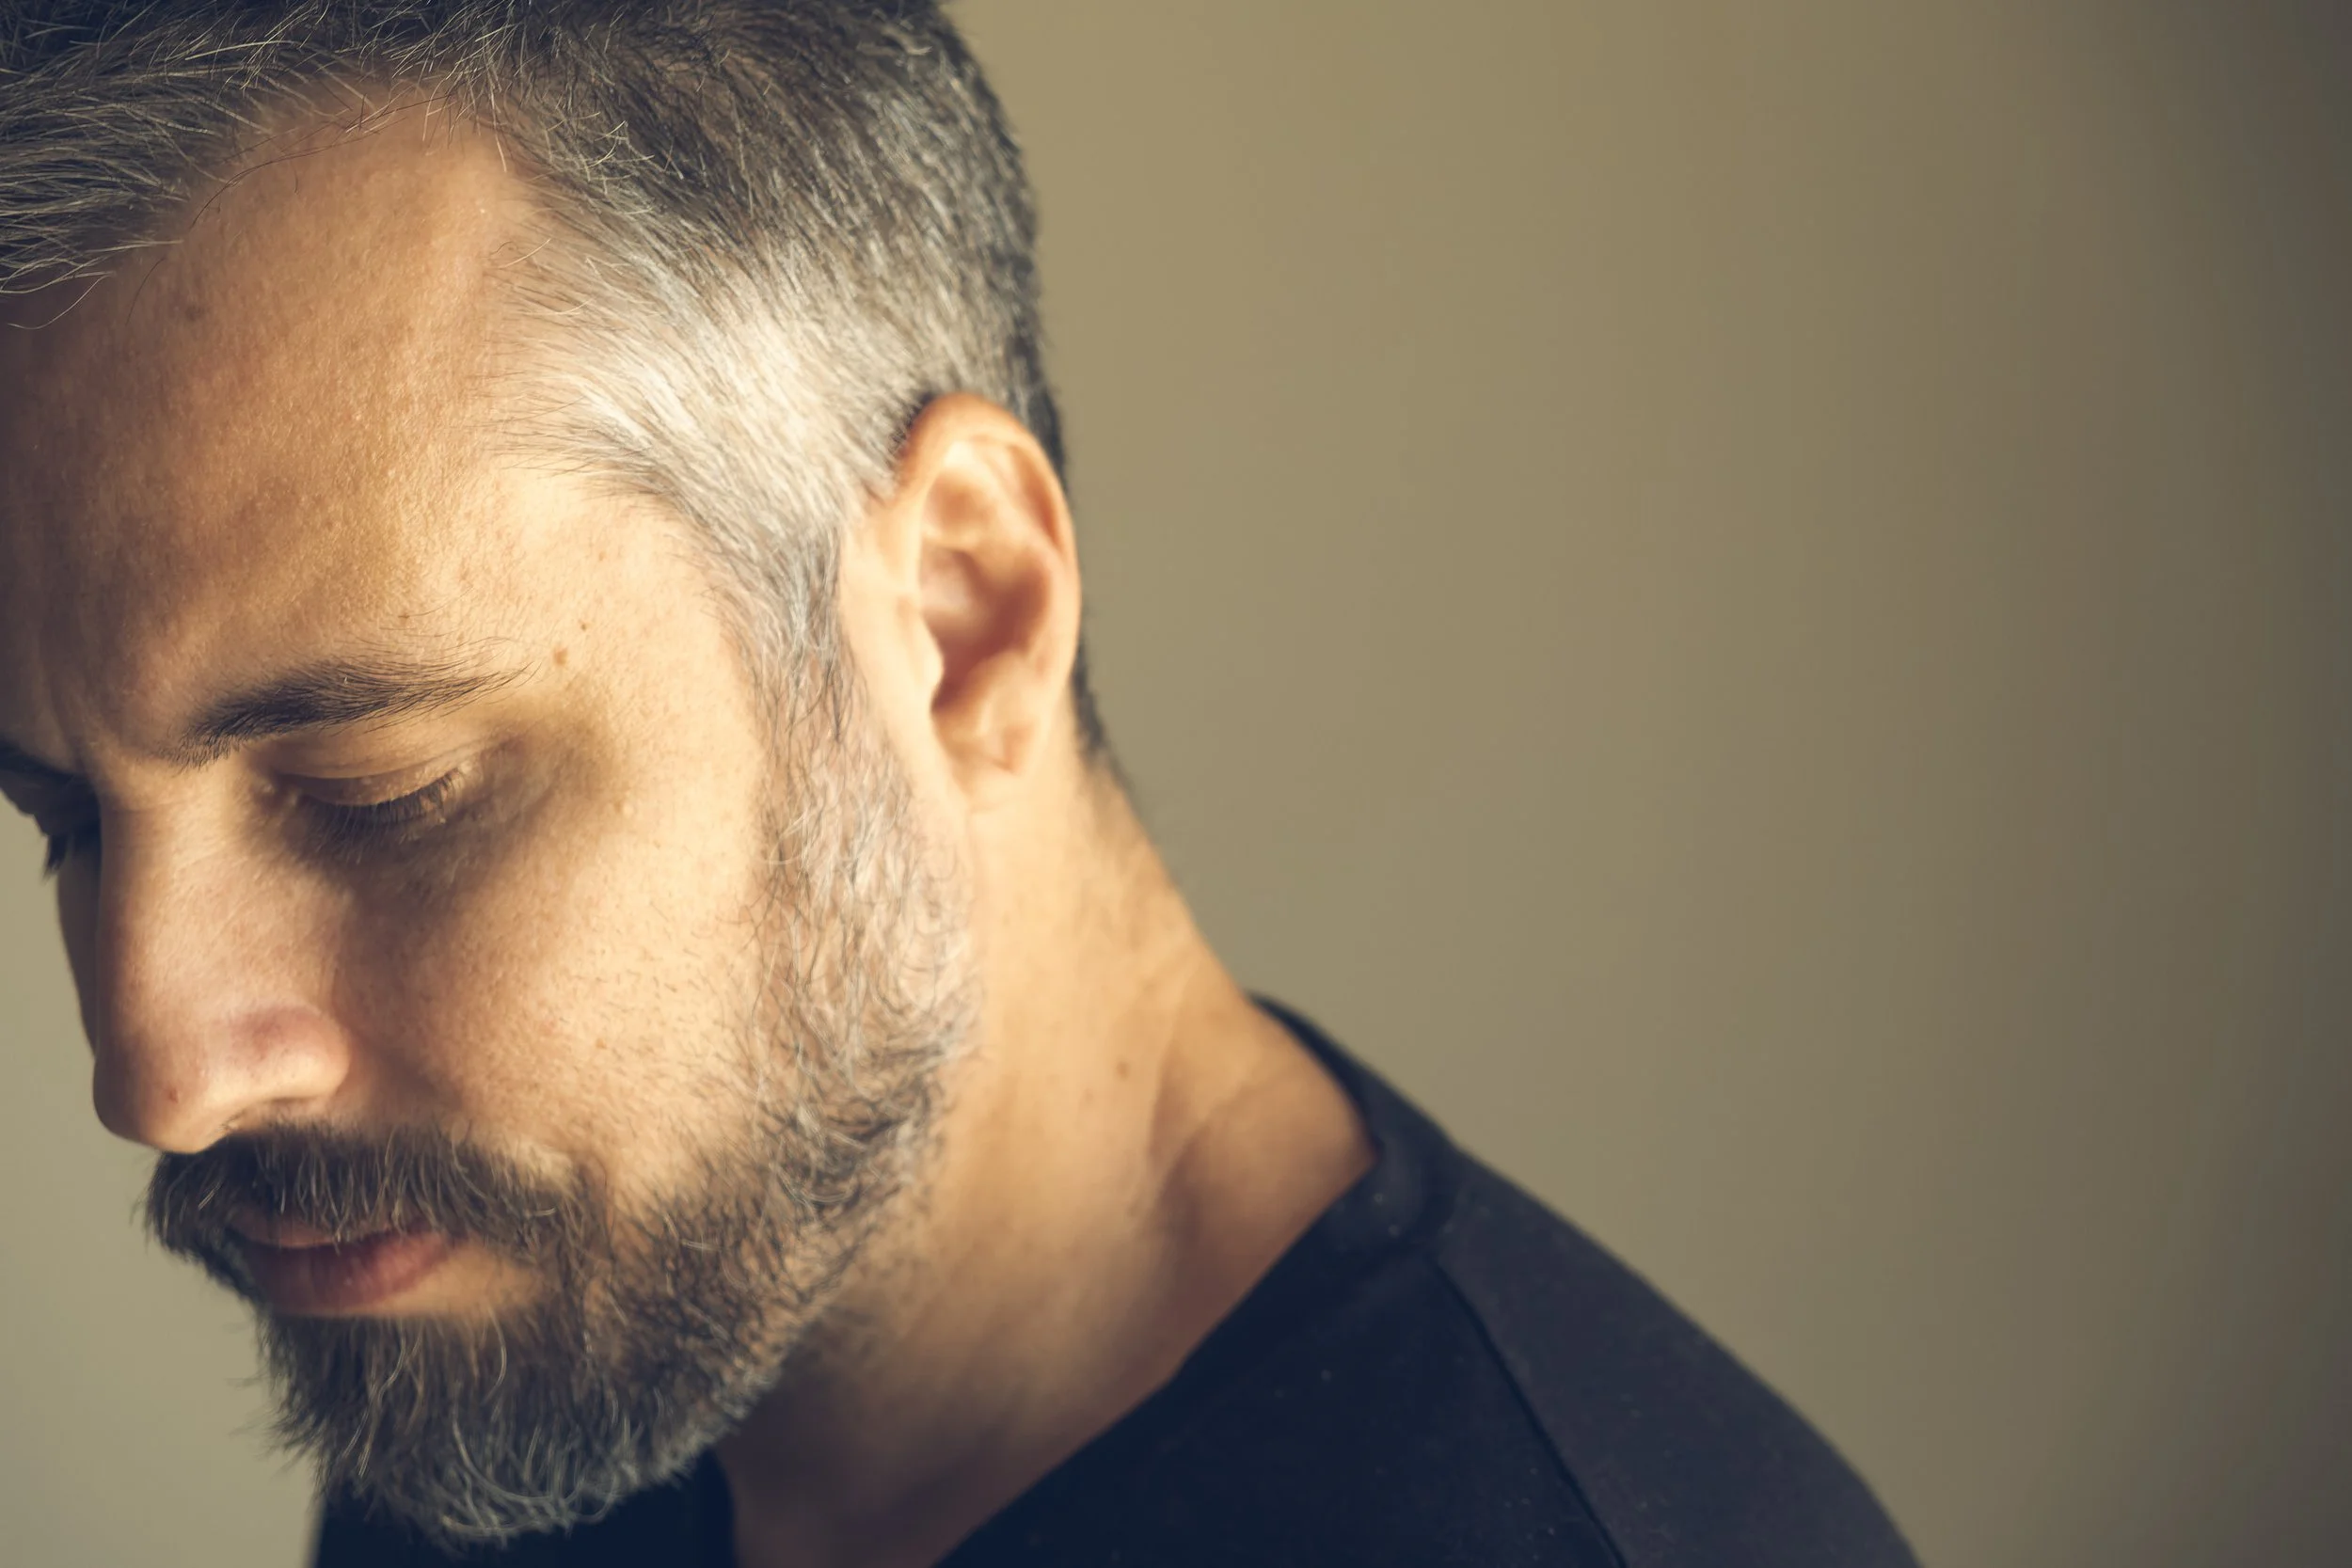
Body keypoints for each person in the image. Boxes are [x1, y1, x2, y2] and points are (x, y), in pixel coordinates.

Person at [0, 5, 1916, 1564]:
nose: (156, 1072)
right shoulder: (510, 1331)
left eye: (376, 791)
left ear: (962, 612)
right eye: (65, 815)